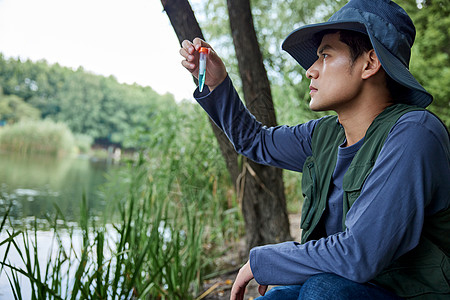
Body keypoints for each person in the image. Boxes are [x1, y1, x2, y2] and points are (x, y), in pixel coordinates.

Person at [179, 0, 450, 299]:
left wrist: (265, 260)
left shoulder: (414, 133)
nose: (310, 71)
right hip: (340, 288)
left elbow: (360, 254)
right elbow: (254, 141)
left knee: (322, 288)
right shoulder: (324, 135)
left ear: (370, 63)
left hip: (403, 293)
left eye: (324, 55)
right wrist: (217, 83)